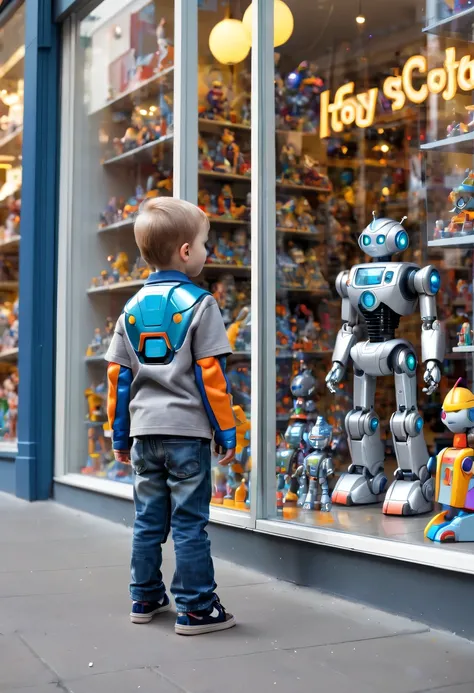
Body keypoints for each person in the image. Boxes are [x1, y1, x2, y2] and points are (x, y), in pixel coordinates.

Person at [105, 197, 236, 636]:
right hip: (187, 434)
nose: (206, 251)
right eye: (204, 243)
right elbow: (210, 375)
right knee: (189, 523)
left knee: (147, 520)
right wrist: (227, 430)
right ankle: (197, 608)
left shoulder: (130, 309)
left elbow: (118, 379)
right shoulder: (201, 304)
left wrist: (119, 438)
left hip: (144, 435)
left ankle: (144, 596)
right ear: (184, 251)